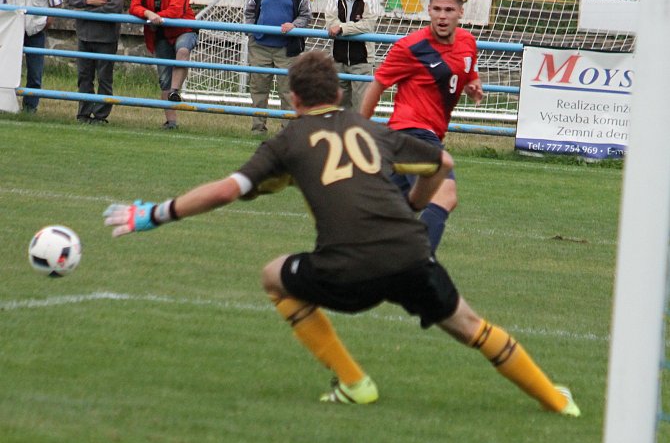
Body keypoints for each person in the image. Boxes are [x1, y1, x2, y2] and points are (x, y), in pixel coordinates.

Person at [103, 50, 579, 417]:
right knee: (472, 328)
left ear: (294, 98)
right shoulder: (371, 130)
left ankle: (353, 383)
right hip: (411, 255)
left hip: (347, 270)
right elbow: (444, 162)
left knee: (274, 275)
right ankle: (557, 403)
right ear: (339, 92)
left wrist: (155, 214)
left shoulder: (287, 140)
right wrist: (418, 202)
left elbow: (229, 190)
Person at [360, 0, 484, 256]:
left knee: (389, 216)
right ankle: (418, 264)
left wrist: (473, 84)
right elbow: (377, 85)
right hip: (412, 133)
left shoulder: (467, 42)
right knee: (444, 195)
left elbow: (468, 68)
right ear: (428, 10)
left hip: (423, 136)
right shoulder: (410, 47)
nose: (442, 16)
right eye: (437, 9)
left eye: (449, 10)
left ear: (460, 13)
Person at [243, 0, 311, 135]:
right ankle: (258, 129)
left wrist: (294, 25)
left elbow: (306, 15)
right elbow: (248, 11)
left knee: (288, 92)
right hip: (260, 46)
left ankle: (287, 132)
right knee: (258, 89)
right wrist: (252, 32)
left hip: (287, 49)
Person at [129, 0, 197, 129]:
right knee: (164, 79)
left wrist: (155, 18)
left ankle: (175, 91)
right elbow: (134, 6)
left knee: (183, 51)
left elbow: (176, 11)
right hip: (159, 34)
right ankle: (171, 122)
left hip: (184, 29)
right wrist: (148, 13)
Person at [64, 0, 125, 124]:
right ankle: (83, 114)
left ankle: (100, 116)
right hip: (83, 34)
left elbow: (114, 7)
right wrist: (89, 0)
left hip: (106, 37)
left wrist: (84, 12)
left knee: (104, 79)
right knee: (84, 76)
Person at [0, 0, 62, 113]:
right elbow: (1, 4)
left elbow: (56, 4)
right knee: (7, 69)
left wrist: (46, 23)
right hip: (11, 33)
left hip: (35, 30)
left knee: (35, 72)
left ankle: (30, 108)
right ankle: (7, 106)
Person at [324, 0, 380, 111]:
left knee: (361, 106)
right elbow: (330, 23)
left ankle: (359, 133)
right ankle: (341, 133)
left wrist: (342, 29)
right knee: (338, 105)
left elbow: (367, 25)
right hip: (338, 59)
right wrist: (346, 28)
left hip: (362, 60)